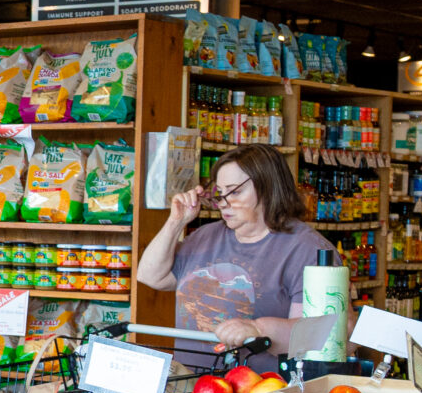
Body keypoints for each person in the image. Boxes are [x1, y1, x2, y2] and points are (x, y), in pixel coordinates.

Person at [136, 142, 324, 373]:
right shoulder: (206, 236)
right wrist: (176, 222)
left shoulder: (306, 249)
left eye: (235, 192)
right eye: (220, 193)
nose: (224, 203)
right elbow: (150, 276)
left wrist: (258, 329)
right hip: (188, 390)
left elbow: (313, 336)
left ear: (268, 187)